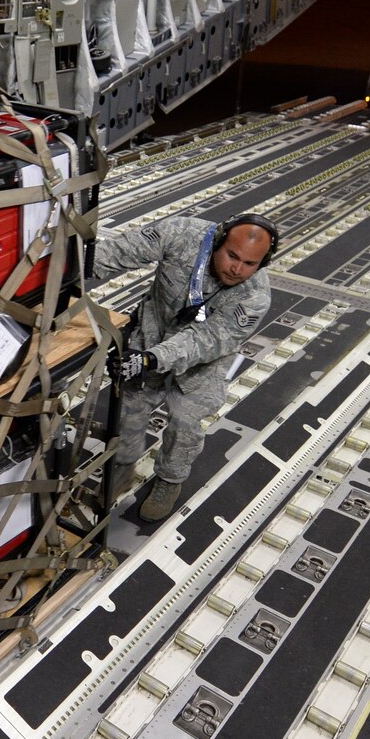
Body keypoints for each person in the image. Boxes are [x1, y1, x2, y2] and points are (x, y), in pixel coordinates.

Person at [95, 212, 276, 521]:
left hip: (202, 360)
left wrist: (150, 359)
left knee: (185, 422)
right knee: (130, 408)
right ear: (218, 241)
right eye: (232, 256)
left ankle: (169, 480)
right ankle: (123, 468)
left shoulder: (255, 296)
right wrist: (67, 266)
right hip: (152, 333)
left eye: (250, 264)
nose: (237, 269)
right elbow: (120, 251)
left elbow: (205, 340)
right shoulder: (180, 233)